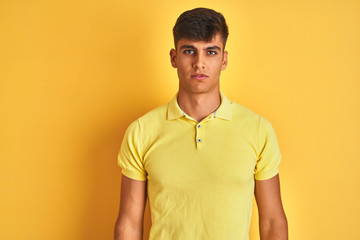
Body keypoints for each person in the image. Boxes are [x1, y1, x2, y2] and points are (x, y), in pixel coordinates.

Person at [114, 7, 288, 240]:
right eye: (189, 51)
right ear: (174, 58)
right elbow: (129, 223)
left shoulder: (257, 129)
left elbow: (272, 221)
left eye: (211, 52)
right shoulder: (141, 131)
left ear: (224, 60)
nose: (199, 63)